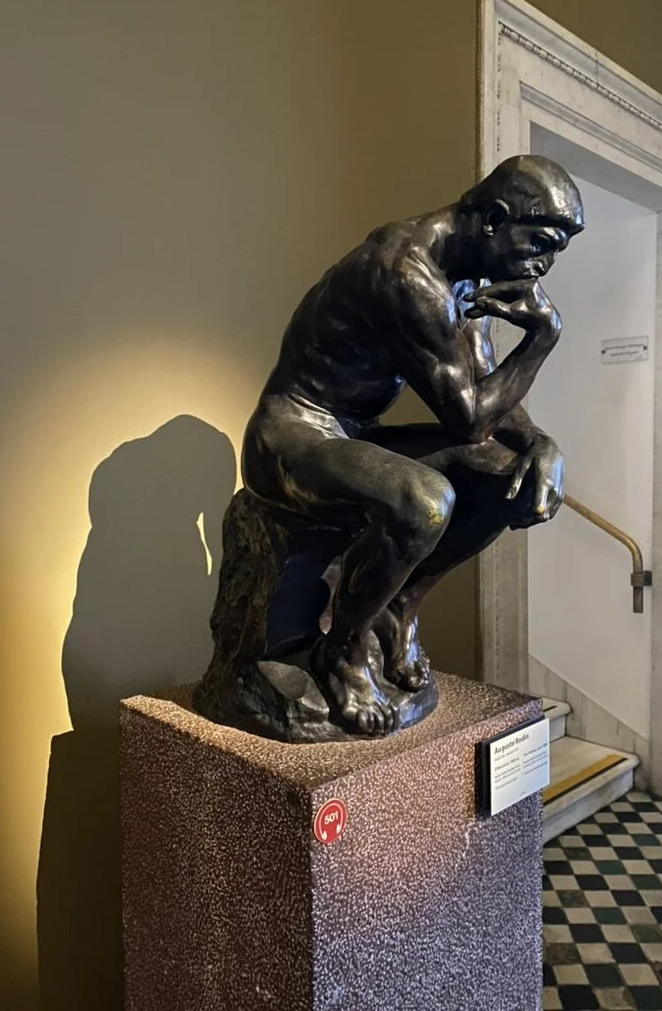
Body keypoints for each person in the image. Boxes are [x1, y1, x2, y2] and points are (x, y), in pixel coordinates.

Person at [242, 154, 585, 735]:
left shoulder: (465, 275)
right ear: (494, 219)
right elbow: (469, 418)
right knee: (425, 501)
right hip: (293, 434)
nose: (544, 267)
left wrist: (540, 444)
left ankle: (398, 607)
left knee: (509, 476)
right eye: (541, 245)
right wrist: (543, 338)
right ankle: (342, 650)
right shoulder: (406, 271)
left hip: (356, 433)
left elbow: (484, 387)